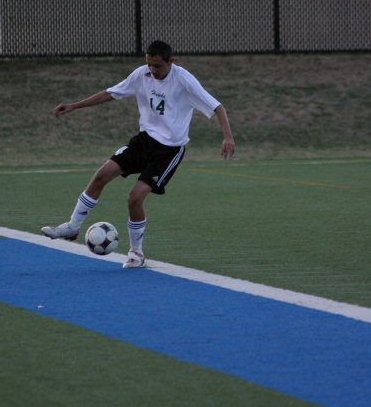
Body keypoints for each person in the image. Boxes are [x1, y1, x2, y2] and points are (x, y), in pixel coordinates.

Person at [41, 40, 235, 268]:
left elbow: (217, 107)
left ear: (171, 62)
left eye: (158, 66)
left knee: (134, 198)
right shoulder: (141, 75)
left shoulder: (183, 79)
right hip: (143, 142)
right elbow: (110, 93)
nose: (152, 70)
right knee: (102, 175)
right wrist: (74, 105)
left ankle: (136, 253)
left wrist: (227, 137)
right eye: (149, 64)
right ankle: (73, 226)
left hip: (169, 150)